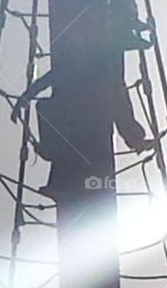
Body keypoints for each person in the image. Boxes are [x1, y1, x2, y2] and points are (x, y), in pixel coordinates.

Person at [11, 62, 151, 198]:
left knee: (51, 110)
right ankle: (58, 175)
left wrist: (135, 138)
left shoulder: (103, 74)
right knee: (46, 107)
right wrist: (26, 96)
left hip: (91, 133)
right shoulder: (89, 68)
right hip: (75, 128)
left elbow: (120, 103)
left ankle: (58, 175)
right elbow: (55, 75)